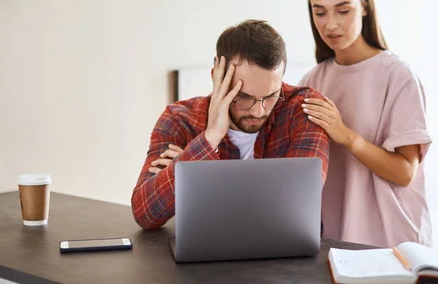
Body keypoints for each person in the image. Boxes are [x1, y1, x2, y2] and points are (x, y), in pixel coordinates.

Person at [131, 19, 330, 230]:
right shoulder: (179, 119)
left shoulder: (304, 108)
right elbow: (145, 214)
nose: (258, 111)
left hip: (288, 259)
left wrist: (194, 173)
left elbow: (297, 202)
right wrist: (210, 137)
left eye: (271, 96)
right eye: (244, 97)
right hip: (207, 259)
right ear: (217, 77)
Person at [299, 0, 433, 248]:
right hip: (330, 242)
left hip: (391, 244)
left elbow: (404, 172)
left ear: (365, 6)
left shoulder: (398, 76)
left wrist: (346, 136)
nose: (330, 24)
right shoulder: (310, 82)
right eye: (319, 12)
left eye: (343, 10)